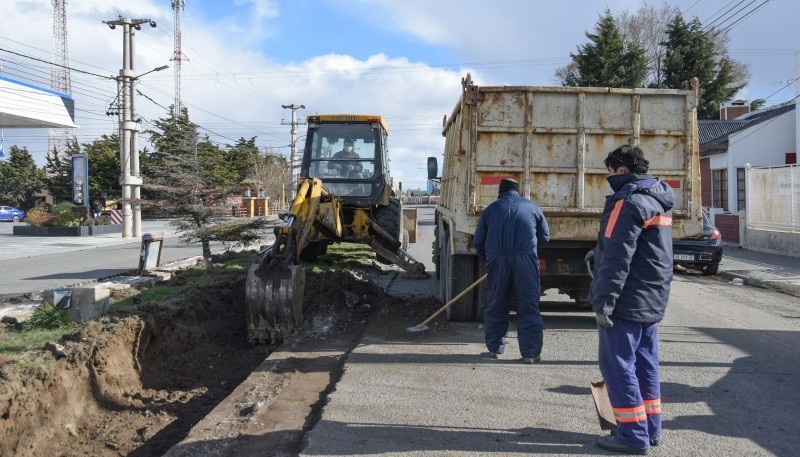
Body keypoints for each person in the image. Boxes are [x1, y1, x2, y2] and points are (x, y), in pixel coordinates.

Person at [588, 144, 674, 455]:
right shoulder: (658, 200)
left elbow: (616, 256)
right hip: (651, 297)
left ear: (621, 170)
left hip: (627, 299)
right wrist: (597, 253)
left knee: (618, 364)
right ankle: (651, 430)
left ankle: (631, 436)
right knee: (645, 364)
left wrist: (603, 302)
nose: (608, 177)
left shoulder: (626, 201)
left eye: (610, 171)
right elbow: (643, 249)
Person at [473, 178, 550, 364]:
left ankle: (494, 349)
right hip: (526, 261)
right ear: (518, 191)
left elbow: (478, 242)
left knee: (496, 306)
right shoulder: (532, 207)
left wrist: (490, 260)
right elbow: (545, 237)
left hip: (497, 261)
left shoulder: (490, 210)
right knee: (529, 307)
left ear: (500, 192)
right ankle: (530, 354)